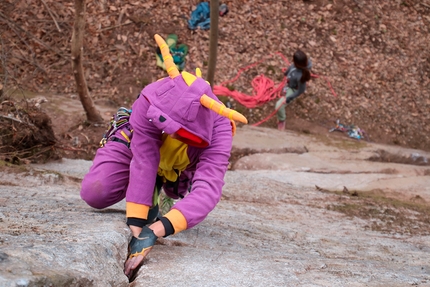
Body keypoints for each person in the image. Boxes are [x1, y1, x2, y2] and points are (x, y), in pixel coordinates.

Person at [80, 34, 248, 281]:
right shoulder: (151, 99)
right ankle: (147, 187)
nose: (170, 135)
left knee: (174, 207)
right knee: (95, 193)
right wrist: (136, 223)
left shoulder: (220, 128)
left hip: (177, 169)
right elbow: (144, 159)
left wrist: (156, 231)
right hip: (134, 143)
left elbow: (208, 188)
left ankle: (163, 188)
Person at [275, 50, 312, 131]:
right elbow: (291, 68)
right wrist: (286, 73)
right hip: (289, 83)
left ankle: (282, 120)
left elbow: (300, 91)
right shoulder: (296, 66)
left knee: (278, 106)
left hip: (293, 88)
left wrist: (288, 99)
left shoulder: (300, 76)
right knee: (282, 97)